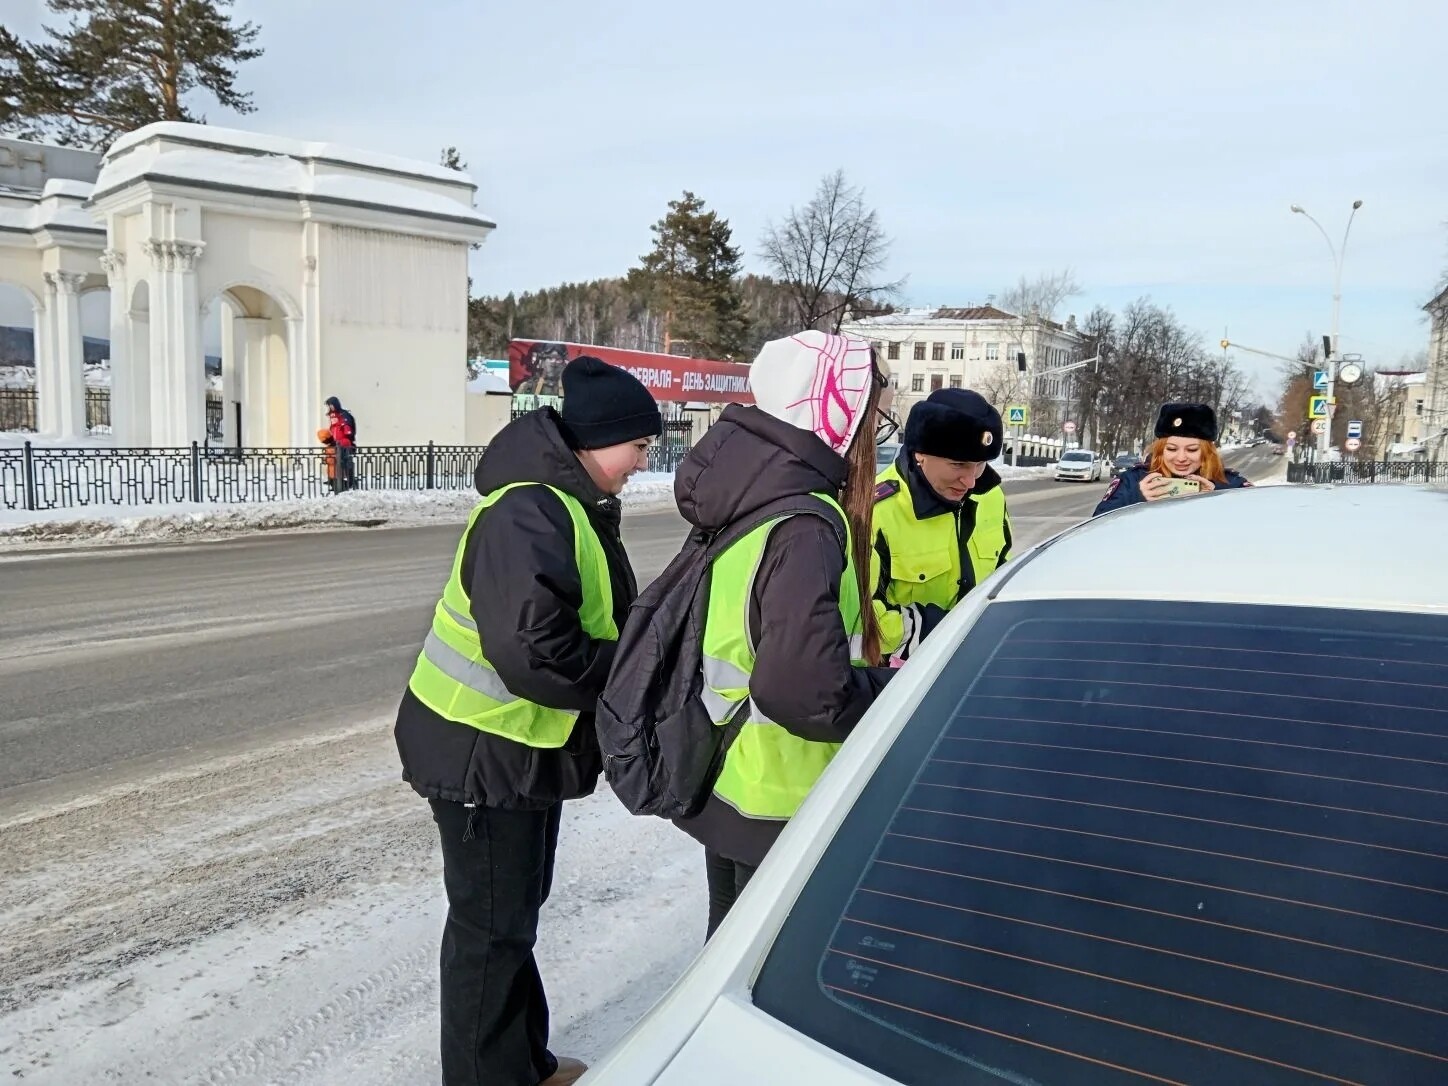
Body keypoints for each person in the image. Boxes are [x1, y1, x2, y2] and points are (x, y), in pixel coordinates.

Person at [393, 356, 661, 1086]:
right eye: (638, 446)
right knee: (489, 931)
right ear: (596, 439)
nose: (644, 462)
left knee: (511, 920)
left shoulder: (565, 505)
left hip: (517, 748)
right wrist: (632, 672)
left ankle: (522, 1065)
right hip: (481, 750)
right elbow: (532, 652)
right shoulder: (529, 511)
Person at [669, 331, 895, 938]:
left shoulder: (755, 497)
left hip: (736, 778)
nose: (876, 434)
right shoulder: (806, 524)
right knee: (763, 975)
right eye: (873, 414)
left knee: (727, 965)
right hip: (783, 795)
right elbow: (804, 693)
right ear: (839, 414)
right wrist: (895, 692)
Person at [870, 388, 1011, 664]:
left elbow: (1003, 572)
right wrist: (942, 634)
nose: (971, 481)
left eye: (980, 464)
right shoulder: (877, 511)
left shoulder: (990, 496)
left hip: (980, 662)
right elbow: (862, 619)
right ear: (920, 454)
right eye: (958, 464)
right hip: (907, 674)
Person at [1093, 402, 1252, 516]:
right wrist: (1136, 497)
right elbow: (1096, 526)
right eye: (1171, 449)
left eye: (1192, 449)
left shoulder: (1232, 484)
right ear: (1160, 450)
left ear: (1208, 452)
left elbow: (1256, 525)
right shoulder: (1132, 481)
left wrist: (1216, 499)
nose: (1181, 458)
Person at [325, 396, 357, 490]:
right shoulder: (333, 415)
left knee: (345, 462)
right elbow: (333, 429)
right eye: (329, 405)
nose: (330, 407)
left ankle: (350, 481)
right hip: (335, 442)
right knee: (332, 462)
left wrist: (348, 439)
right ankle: (333, 480)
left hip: (344, 442)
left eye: (331, 405)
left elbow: (348, 429)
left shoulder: (344, 414)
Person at [317, 426, 338, 494]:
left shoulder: (331, 447)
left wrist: (326, 460)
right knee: (331, 474)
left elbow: (332, 458)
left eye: (323, 441)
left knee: (334, 476)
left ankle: (335, 488)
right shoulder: (332, 445)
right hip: (332, 466)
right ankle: (332, 483)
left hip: (334, 466)